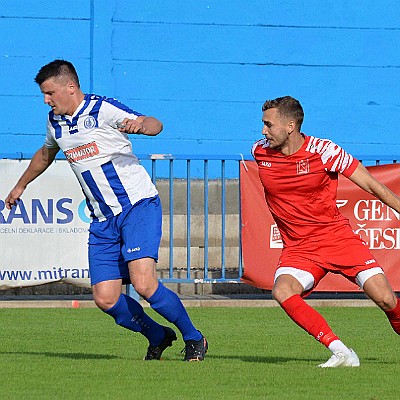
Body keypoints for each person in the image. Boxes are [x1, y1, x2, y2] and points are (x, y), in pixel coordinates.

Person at [5, 59, 208, 361]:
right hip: (102, 220)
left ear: (70, 87)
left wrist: (142, 127)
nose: (46, 100)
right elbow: (46, 153)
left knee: (144, 284)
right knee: (105, 298)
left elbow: (154, 123)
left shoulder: (102, 109)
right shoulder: (55, 122)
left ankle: (194, 338)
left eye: (50, 93)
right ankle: (158, 335)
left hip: (136, 206)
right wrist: (21, 185)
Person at [252, 95, 400, 367]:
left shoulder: (325, 151)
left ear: (290, 126)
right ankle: (342, 352)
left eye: (268, 124)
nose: (263, 131)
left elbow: (371, 185)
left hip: (338, 239)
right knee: (282, 291)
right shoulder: (259, 152)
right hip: (299, 248)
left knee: (387, 299)